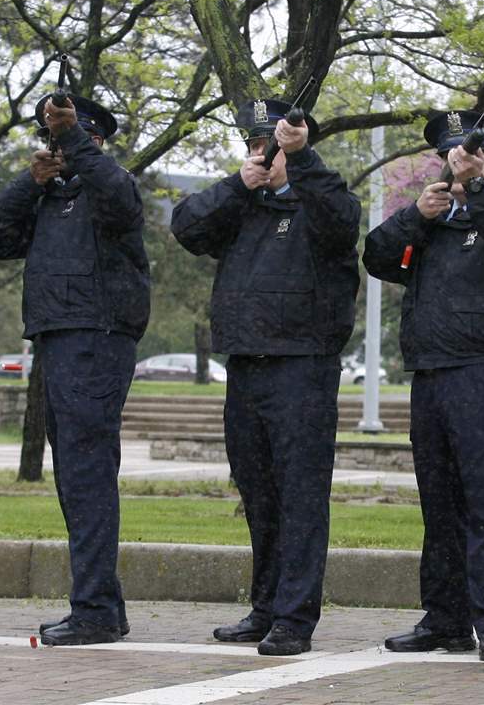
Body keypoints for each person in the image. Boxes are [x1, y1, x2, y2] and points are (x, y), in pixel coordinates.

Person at [170, 98, 360, 656]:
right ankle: (266, 605)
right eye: (252, 147)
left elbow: (344, 220)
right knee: (258, 492)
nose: (259, 156)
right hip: (246, 364)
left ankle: (295, 618)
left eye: (267, 147)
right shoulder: (241, 206)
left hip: (303, 367)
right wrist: (237, 183)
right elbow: (185, 226)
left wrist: (300, 160)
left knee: (300, 495)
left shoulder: (321, 201)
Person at [363, 110, 484, 662]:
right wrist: (415, 216)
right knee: (439, 506)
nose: (460, 163)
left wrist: (481, 192)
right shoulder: (430, 220)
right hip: (433, 376)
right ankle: (444, 619)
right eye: (451, 156)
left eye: (472, 155)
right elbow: (376, 257)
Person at [0, 93, 149, 646]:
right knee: (76, 476)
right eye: (51, 140)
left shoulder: (109, 187)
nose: (55, 149)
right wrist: (31, 181)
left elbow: (123, 202)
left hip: (96, 338)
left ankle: (96, 608)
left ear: (91, 140)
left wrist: (75, 142)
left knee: (88, 473)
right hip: (59, 337)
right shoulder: (49, 197)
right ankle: (101, 605)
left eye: (64, 138)